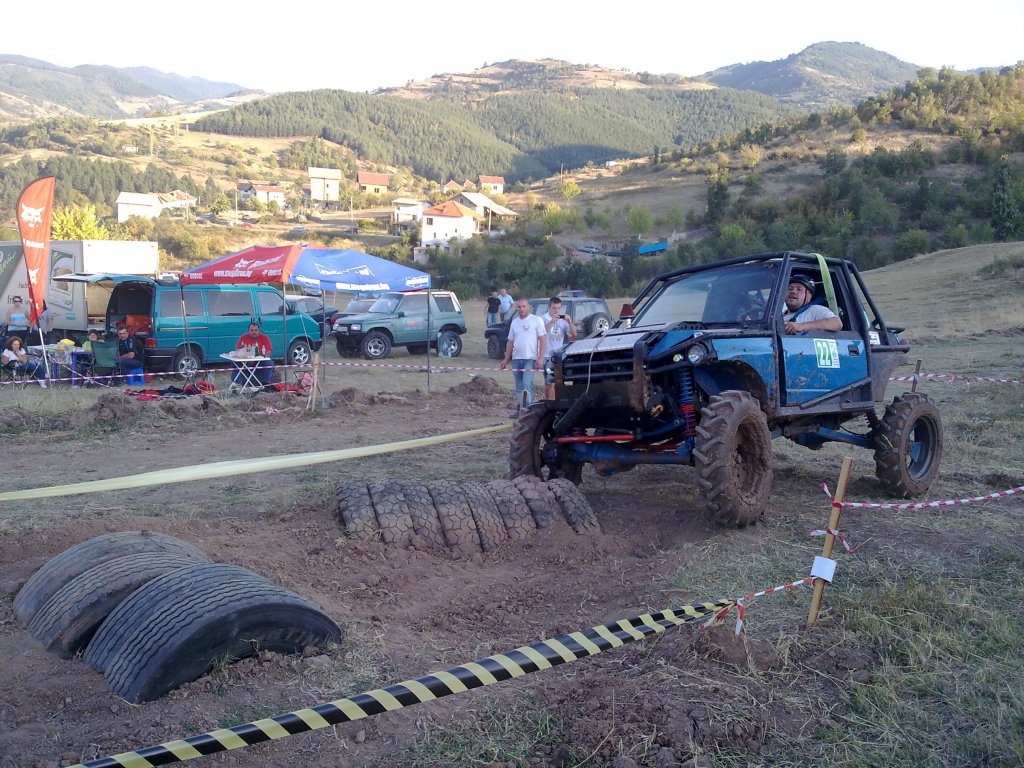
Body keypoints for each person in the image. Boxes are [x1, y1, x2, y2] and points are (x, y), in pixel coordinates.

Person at [499, 298, 546, 418]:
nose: (521, 309)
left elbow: (543, 339)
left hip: (531, 358)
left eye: (524, 306)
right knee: (519, 385)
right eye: (519, 307)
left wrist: (540, 358)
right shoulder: (515, 322)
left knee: (527, 383)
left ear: (528, 307)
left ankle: (529, 410)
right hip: (516, 358)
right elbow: (510, 341)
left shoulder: (537, 320)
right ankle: (520, 409)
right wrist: (506, 358)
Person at [541, 296, 576, 400]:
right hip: (547, 356)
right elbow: (540, 332)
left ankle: (557, 402)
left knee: (559, 382)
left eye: (558, 308)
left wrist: (570, 322)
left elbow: (574, 334)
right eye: (554, 308)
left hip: (559, 356)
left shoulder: (562, 321)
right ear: (549, 307)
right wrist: (551, 322)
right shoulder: (543, 319)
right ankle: (550, 403)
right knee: (549, 383)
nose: (556, 310)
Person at [233, 322, 274, 386]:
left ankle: (266, 384)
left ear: (259, 330)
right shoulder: (243, 337)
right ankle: (237, 383)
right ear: (248, 331)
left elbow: (269, 351)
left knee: (269, 363)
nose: (254, 332)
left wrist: (261, 358)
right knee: (234, 362)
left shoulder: (265, 337)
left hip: (259, 361)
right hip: (245, 361)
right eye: (251, 330)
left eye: (256, 330)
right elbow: (237, 349)